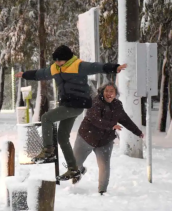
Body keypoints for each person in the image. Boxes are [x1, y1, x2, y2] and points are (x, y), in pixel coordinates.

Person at [15, 45, 127, 181]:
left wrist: (114, 67)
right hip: (66, 105)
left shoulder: (78, 65)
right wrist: (25, 74)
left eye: (59, 61)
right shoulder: (55, 68)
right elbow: (41, 74)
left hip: (77, 104)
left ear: (66, 59)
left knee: (46, 118)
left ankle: (48, 150)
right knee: (62, 136)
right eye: (55, 61)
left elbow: (96, 67)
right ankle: (73, 169)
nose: (57, 63)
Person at [72, 82, 144, 194]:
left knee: (104, 166)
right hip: (86, 138)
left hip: (105, 141)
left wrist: (138, 132)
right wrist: (111, 125)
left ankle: (102, 191)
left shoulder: (117, 105)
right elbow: (95, 119)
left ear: (115, 94)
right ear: (102, 92)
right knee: (74, 164)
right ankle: (80, 169)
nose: (108, 93)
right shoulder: (95, 102)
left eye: (111, 91)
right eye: (106, 91)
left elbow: (125, 120)